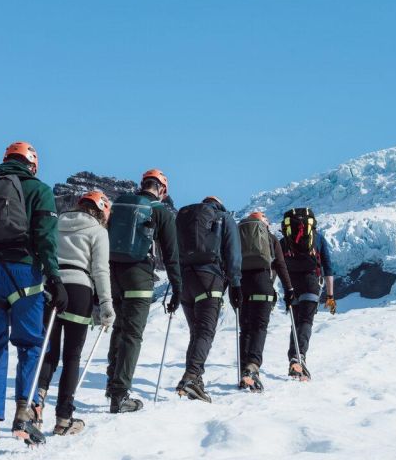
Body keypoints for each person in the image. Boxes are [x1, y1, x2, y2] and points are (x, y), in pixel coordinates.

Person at [0, 141, 68, 455]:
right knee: (31, 343)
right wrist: (55, 277)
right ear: (31, 165)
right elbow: (46, 238)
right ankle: (25, 413)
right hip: (24, 273)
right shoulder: (39, 190)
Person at [35, 191, 116, 435]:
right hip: (80, 290)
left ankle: (35, 404)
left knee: (49, 351)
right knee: (72, 356)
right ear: (102, 212)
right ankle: (63, 418)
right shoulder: (98, 231)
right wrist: (106, 306)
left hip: (51, 286)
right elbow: (101, 270)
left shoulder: (57, 222)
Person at [106, 169, 182, 414]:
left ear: (143, 184)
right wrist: (177, 288)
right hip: (139, 276)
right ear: (162, 189)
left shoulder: (120, 205)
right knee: (133, 333)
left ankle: (112, 383)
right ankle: (120, 394)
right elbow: (171, 255)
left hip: (113, 273)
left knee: (119, 326)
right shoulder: (161, 212)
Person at [174, 196, 242, 402]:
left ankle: (195, 379)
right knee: (205, 331)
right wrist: (235, 283)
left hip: (185, 280)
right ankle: (192, 377)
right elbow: (233, 253)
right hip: (209, 279)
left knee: (196, 333)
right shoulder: (223, 218)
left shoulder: (185, 221)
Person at [237, 211, 294, 392]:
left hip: (242, 286)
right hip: (263, 286)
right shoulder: (271, 239)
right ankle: (252, 367)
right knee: (259, 327)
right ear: (265, 225)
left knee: (245, 330)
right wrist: (289, 289)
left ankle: (243, 373)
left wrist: (230, 289)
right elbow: (281, 265)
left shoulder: (240, 239)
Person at [279, 207, 335, 381]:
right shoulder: (317, 238)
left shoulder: (284, 241)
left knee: (296, 322)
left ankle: (293, 359)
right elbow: (328, 267)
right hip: (311, 282)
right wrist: (330, 296)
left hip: (291, 284)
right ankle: (300, 356)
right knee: (306, 321)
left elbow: (277, 265)